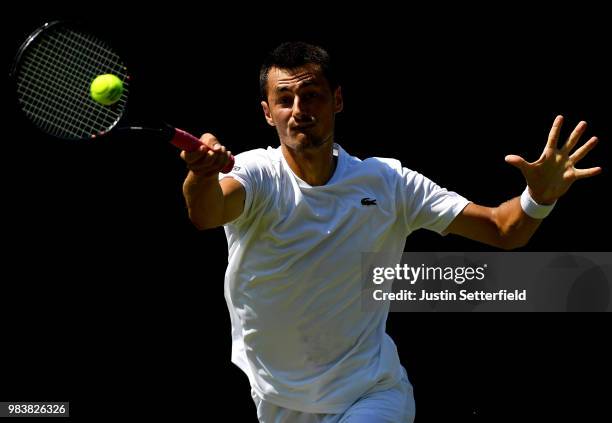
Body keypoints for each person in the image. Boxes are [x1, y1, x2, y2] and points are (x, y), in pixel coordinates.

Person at [179, 42, 601, 422]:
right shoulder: (255, 173)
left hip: (371, 394)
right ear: (267, 112)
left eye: (311, 96)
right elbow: (208, 212)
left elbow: (503, 229)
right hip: (278, 402)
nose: (298, 110)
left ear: (336, 101)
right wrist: (200, 176)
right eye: (284, 99)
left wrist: (538, 198)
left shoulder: (388, 182)